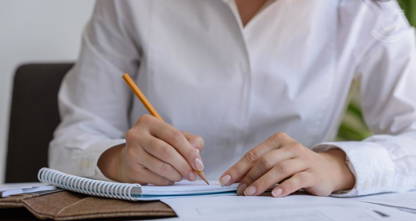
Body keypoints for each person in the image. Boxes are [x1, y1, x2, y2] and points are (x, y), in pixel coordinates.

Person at [50, 0, 416, 198]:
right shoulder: (128, 4)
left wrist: (339, 167)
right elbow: (74, 139)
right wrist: (115, 161)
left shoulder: (368, 11)